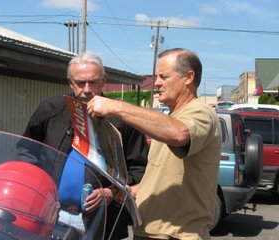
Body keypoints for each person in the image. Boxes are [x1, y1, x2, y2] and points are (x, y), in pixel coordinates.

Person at [87, 48, 222, 240]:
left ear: (188, 77)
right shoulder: (171, 119)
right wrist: (133, 191)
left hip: (177, 235)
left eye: (163, 76)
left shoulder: (201, 112)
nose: (157, 83)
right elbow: (166, 176)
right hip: (150, 232)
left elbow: (180, 134)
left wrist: (115, 106)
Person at [22, 51, 149, 240]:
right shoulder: (51, 108)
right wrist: (34, 186)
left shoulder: (122, 119)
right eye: (80, 83)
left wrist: (112, 192)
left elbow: (139, 169)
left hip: (102, 222)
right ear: (70, 82)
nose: (87, 89)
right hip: (49, 216)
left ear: (103, 80)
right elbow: (26, 149)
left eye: (93, 82)